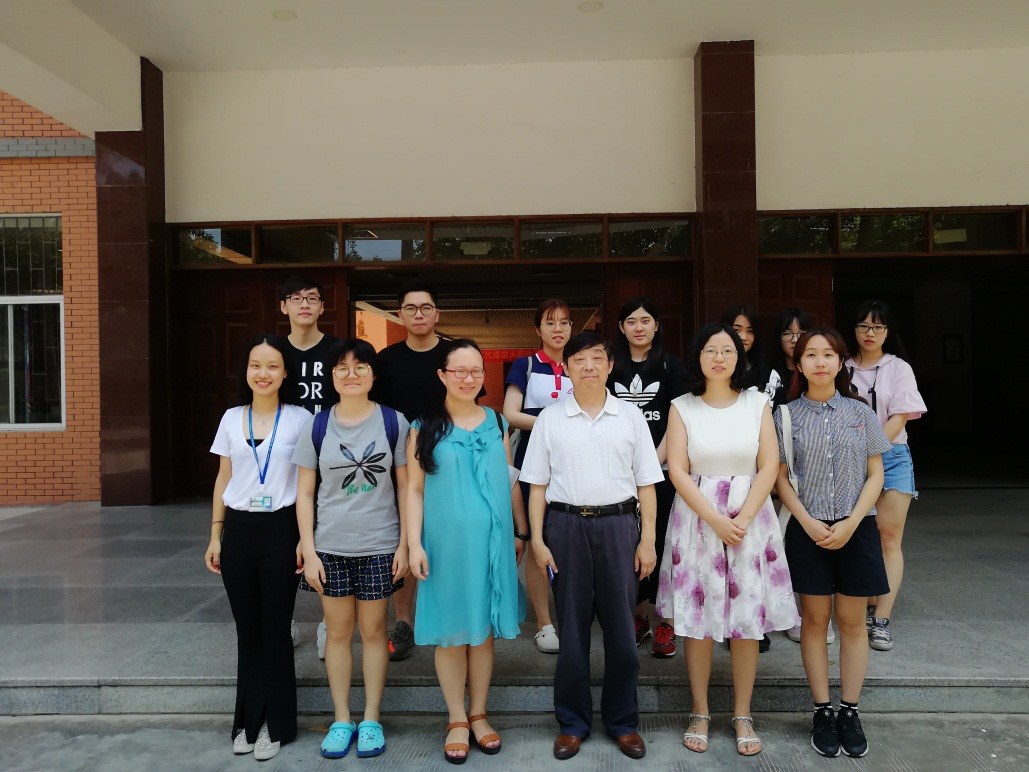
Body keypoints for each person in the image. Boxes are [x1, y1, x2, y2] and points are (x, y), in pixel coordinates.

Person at [655, 323, 799, 757]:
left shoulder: (757, 402)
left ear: (739, 357)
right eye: (710, 350)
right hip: (698, 521)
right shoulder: (682, 406)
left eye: (727, 350)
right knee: (697, 622)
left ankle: (742, 713)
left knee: (745, 621)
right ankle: (699, 711)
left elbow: (769, 464)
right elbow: (677, 469)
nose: (719, 358)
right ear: (697, 357)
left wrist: (744, 518)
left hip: (750, 522)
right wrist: (715, 519)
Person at [521, 331, 664, 761]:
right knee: (572, 631)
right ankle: (572, 723)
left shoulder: (630, 417)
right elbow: (536, 486)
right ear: (566, 368)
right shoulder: (550, 419)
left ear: (609, 365)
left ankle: (623, 722)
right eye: (579, 359)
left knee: (622, 632)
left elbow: (647, 484)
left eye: (597, 358)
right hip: (565, 528)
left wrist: (648, 540)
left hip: (619, 527)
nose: (588, 366)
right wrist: (538, 541)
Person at [774, 327, 893, 759]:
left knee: (852, 622)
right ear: (799, 363)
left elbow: (876, 473)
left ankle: (850, 710)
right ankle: (822, 710)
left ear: (841, 361)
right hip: (807, 529)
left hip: (856, 528)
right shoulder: (784, 416)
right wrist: (807, 522)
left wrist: (852, 521)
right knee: (814, 620)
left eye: (828, 354)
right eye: (811, 354)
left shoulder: (859, 412)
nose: (820, 362)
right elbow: (779, 478)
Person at [406, 339, 527, 765]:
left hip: (493, 543)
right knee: (452, 631)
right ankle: (456, 717)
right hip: (445, 546)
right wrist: (414, 543)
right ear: (442, 375)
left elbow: (509, 480)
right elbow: (414, 491)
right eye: (459, 370)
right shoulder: (423, 426)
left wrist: (520, 531)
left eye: (476, 370)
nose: (468, 378)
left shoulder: (497, 422)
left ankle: (479, 713)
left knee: (483, 628)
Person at [293, 339, 411, 759]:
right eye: (342, 368)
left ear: (373, 375)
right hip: (330, 548)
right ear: (332, 376)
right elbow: (305, 493)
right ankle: (342, 719)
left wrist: (404, 544)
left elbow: (406, 488)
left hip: (380, 545)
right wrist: (309, 548)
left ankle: (372, 718)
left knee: (375, 633)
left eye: (360, 366)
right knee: (338, 634)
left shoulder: (394, 421)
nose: (352, 374)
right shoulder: (317, 425)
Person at [204, 334, 311, 762]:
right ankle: (247, 721)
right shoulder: (232, 418)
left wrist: (306, 537)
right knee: (247, 631)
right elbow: (223, 478)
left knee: (275, 630)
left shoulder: (300, 418)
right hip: (239, 530)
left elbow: (308, 483)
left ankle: (276, 723)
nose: (262, 373)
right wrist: (216, 534)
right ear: (246, 371)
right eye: (255, 365)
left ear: (285, 374)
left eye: (271, 366)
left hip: (282, 530)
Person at [371, 281, 483, 661]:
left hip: (451, 461)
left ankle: (450, 615)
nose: (418, 314)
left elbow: (471, 405)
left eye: (425, 307)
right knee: (406, 537)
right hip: (400, 463)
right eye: (410, 308)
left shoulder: (454, 355)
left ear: (437, 313)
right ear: (399, 314)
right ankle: (404, 621)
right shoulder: (386, 360)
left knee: (446, 540)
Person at [845, 301, 926, 652]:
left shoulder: (899, 367)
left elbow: (901, 416)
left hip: (892, 457)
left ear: (888, 332)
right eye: (863, 326)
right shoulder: (841, 365)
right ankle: (864, 604)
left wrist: (871, 450)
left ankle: (881, 618)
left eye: (878, 327)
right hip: (848, 461)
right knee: (857, 535)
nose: (870, 333)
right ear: (854, 329)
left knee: (889, 536)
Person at [608, 297, 686, 659]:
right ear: (621, 327)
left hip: (663, 470)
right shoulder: (611, 365)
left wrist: (651, 464)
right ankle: (639, 617)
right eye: (631, 321)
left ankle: (666, 619)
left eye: (645, 320)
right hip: (618, 473)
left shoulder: (672, 365)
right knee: (629, 544)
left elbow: (677, 418)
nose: (638, 327)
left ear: (656, 325)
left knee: (665, 542)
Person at [502, 297, 574, 655]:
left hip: (576, 462)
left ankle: (572, 618)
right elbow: (510, 413)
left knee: (571, 538)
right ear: (538, 329)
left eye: (564, 322)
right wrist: (556, 425)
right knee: (537, 538)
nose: (557, 329)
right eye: (550, 323)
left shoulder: (581, 362)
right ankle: (544, 623)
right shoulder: (525, 365)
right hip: (534, 460)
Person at [278, 275, 341, 655]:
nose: (304, 304)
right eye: (296, 298)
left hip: (330, 459)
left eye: (312, 298)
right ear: (283, 306)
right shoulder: (273, 350)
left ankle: (327, 624)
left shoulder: (337, 351)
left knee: (327, 541)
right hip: (282, 461)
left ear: (322, 307)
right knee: (284, 541)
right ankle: (284, 620)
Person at [720, 305, 774, 396]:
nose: (743, 337)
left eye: (750, 331)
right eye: (737, 330)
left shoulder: (770, 376)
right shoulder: (714, 369)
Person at [769, 307, 811, 411]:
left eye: (802, 334)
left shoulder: (817, 371)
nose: (795, 340)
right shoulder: (768, 374)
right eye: (787, 333)